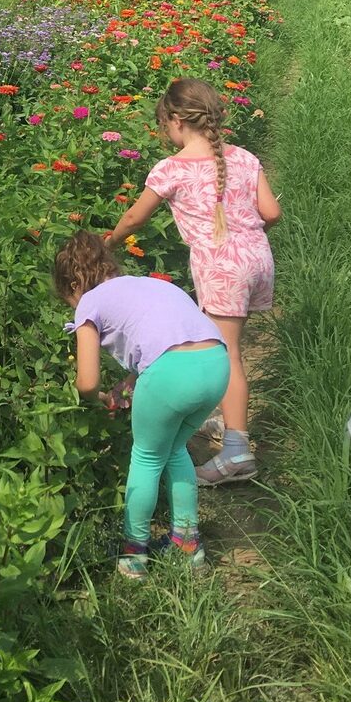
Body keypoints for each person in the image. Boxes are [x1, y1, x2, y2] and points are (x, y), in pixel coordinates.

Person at [105, 78, 281, 487]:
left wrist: (110, 241)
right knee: (231, 344)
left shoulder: (172, 168)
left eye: (164, 123)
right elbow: (271, 212)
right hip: (256, 259)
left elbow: (134, 218)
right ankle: (226, 418)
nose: (165, 132)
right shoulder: (243, 157)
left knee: (227, 355)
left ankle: (237, 451)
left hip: (221, 268)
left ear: (177, 119)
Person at [54, 232, 230, 580]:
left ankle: (134, 556)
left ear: (74, 283)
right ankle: (188, 547)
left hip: (170, 372)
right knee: (175, 448)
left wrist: (98, 398)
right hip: (216, 363)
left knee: (147, 457)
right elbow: (171, 337)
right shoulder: (150, 286)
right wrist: (130, 384)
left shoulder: (89, 301)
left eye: (66, 298)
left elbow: (87, 382)